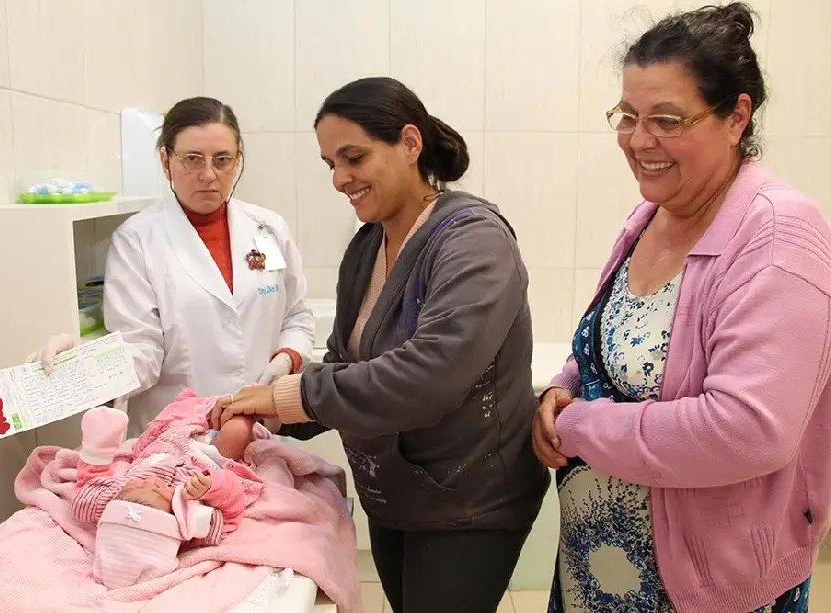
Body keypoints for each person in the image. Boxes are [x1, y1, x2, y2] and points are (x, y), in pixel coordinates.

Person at [530, 4, 830, 612]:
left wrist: (580, 426)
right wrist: (565, 385)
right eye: (628, 116)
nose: (640, 141)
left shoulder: (778, 235)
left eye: (666, 119)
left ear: (736, 117)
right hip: (597, 566)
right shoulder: (650, 217)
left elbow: (747, 430)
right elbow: (611, 344)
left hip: (703, 587)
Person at [215, 76, 549, 613]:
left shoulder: (473, 240)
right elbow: (347, 363)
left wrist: (288, 396)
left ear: (410, 143)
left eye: (354, 158)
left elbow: (429, 375)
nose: (339, 179)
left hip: (468, 503)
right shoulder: (368, 246)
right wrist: (272, 416)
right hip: (394, 489)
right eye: (330, 164)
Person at [27, 97, 314, 435]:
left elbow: (297, 316)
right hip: (175, 438)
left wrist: (288, 358)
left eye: (222, 159)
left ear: (237, 161)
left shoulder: (268, 228)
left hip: (259, 427)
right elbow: (141, 348)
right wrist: (78, 369)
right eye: (193, 159)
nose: (209, 174)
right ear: (166, 161)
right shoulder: (137, 240)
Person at [73, 393, 267, 589]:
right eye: (158, 491)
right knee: (238, 429)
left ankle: (211, 403)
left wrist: (98, 449)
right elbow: (233, 508)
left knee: (177, 411)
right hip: (207, 458)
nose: (150, 481)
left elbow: (89, 482)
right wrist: (212, 486)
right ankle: (250, 408)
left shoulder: (109, 505)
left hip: (161, 446)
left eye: (137, 486)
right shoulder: (193, 523)